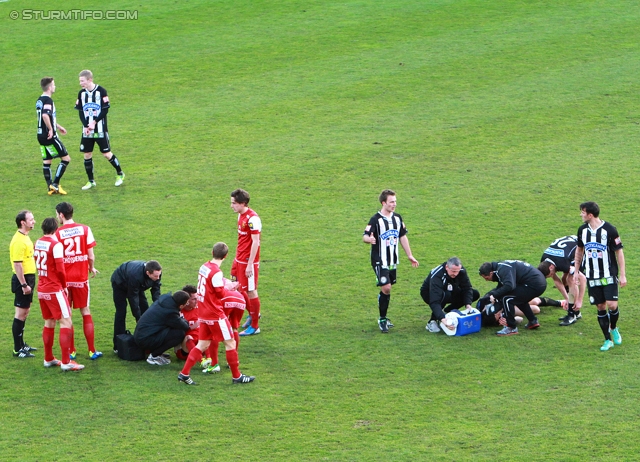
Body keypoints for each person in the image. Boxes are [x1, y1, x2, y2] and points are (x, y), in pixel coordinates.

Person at [178, 242, 255, 385]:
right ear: (225, 256)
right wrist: (230, 287)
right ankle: (237, 376)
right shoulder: (216, 272)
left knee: (202, 344)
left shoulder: (204, 267)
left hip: (203, 312)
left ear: (212, 253)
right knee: (230, 342)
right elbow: (220, 293)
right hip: (215, 313)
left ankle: (184, 373)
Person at [363, 189, 419, 333]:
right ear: (383, 203)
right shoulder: (375, 220)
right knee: (386, 287)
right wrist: (369, 239)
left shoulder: (398, 218)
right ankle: (382, 319)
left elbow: (402, 236)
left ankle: (383, 309)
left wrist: (410, 255)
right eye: (391, 202)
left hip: (393, 260)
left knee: (387, 290)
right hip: (379, 260)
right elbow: (365, 236)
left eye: (395, 201)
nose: (394, 204)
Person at [573, 201, 626, 351]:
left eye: (583, 212)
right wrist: (576, 271)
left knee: (612, 304)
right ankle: (607, 340)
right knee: (601, 306)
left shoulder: (610, 230)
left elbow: (619, 252)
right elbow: (579, 251)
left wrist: (622, 275)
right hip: (591, 275)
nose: (581, 215)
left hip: (609, 274)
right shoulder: (582, 230)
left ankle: (613, 327)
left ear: (590, 214)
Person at [34, 218, 84, 371]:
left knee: (49, 322)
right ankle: (66, 362)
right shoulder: (56, 245)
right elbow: (61, 270)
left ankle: (48, 358)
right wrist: (63, 286)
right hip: (54, 288)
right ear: (56, 229)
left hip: (42, 288)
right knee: (66, 322)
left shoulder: (37, 242)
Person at [54, 202, 102, 360]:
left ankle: (72, 350)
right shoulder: (85, 229)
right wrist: (91, 267)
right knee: (85, 312)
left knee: (67, 316)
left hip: (65, 281)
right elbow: (91, 255)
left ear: (61, 215)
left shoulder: (57, 233)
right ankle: (91, 350)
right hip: (81, 279)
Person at [75, 69, 125, 190]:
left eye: (83, 81)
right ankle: (91, 181)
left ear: (90, 79)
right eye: (80, 81)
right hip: (87, 130)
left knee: (106, 154)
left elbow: (105, 110)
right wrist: (87, 125)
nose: (81, 84)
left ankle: (120, 174)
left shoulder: (101, 91)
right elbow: (81, 112)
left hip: (100, 129)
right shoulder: (81, 94)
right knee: (87, 154)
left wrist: (94, 122)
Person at [478, 260, 546, 336]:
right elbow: (502, 286)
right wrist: (494, 295)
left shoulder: (502, 270)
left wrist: (494, 295)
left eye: (486, 278)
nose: (487, 280)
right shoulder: (500, 267)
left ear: (491, 273)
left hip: (534, 284)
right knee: (518, 299)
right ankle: (533, 321)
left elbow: (509, 286)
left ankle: (511, 327)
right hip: (537, 282)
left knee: (507, 299)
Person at [230, 189, 262, 336]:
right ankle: (253, 313)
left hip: (248, 262)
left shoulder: (253, 219)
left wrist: (250, 264)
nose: (232, 206)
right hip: (239, 259)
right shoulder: (240, 216)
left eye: (234, 203)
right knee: (238, 287)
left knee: (251, 291)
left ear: (243, 203)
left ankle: (255, 326)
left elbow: (256, 243)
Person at [111, 260, 162, 352]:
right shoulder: (136, 276)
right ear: (148, 273)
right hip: (120, 282)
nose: (158, 278)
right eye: (155, 276)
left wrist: (158, 307)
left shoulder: (157, 273)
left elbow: (156, 291)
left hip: (137, 284)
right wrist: (138, 317)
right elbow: (133, 299)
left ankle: (148, 340)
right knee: (121, 312)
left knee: (145, 310)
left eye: (159, 275)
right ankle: (118, 345)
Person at [537, 235, 587, 326]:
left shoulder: (561, 263)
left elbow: (583, 279)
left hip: (582, 248)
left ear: (551, 267)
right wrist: (567, 299)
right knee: (564, 279)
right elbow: (557, 280)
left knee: (570, 279)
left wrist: (580, 300)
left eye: (551, 274)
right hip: (568, 249)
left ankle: (572, 315)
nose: (552, 275)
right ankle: (576, 312)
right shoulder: (545, 261)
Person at [421, 257, 480, 333]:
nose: (455, 274)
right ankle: (432, 321)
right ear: (446, 267)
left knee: (474, 293)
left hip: (450, 289)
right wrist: (443, 319)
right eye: (453, 271)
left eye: (457, 271)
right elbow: (434, 301)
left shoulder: (461, 271)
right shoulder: (437, 276)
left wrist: (468, 304)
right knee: (445, 295)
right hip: (429, 293)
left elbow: (467, 288)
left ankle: (448, 312)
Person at [134, 290, 191, 365]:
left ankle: (157, 352)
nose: (188, 304)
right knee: (179, 334)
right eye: (186, 303)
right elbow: (185, 326)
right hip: (145, 339)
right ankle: (154, 356)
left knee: (172, 330)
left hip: (142, 334)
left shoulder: (164, 300)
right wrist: (184, 320)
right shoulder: (170, 312)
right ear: (181, 306)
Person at [10, 211, 38, 358]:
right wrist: (24, 285)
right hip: (23, 280)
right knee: (20, 314)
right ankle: (17, 349)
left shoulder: (25, 237)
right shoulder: (19, 241)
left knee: (25, 312)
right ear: (23, 222)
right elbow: (17, 265)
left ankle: (22, 344)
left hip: (28, 279)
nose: (34, 221)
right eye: (31, 219)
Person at [36, 77, 70, 195]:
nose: (55, 87)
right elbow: (45, 116)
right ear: (50, 87)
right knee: (66, 159)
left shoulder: (39, 100)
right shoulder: (48, 101)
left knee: (47, 161)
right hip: (49, 135)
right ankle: (55, 184)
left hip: (40, 135)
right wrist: (51, 129)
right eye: (54, 85)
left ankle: (50, 187)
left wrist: (58, 126)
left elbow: (45, 116)